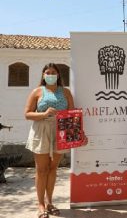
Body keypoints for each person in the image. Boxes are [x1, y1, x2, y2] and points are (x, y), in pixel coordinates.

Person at [24, 63, 87, 218]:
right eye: (47, 72)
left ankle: (50, 202)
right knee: (41, 169)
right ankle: (40, 204)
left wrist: (80, 133)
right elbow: (27, 114)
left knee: (53, 168)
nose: (50, 75)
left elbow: (73, 114)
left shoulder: (66, 92)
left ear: (58, 75)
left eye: (53, 72)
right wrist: (44, 114)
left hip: (62, 131)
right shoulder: (37, 92)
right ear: (43, 75)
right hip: (42, 130)